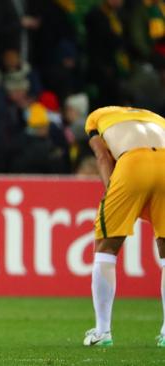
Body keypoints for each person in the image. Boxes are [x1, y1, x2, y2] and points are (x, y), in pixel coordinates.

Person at [83, 106, 165, 347]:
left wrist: (111, 193)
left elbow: (103, 157)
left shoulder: (97, 117)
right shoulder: (158, 119)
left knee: (105, 247)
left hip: (133, 161)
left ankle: (102, 332)